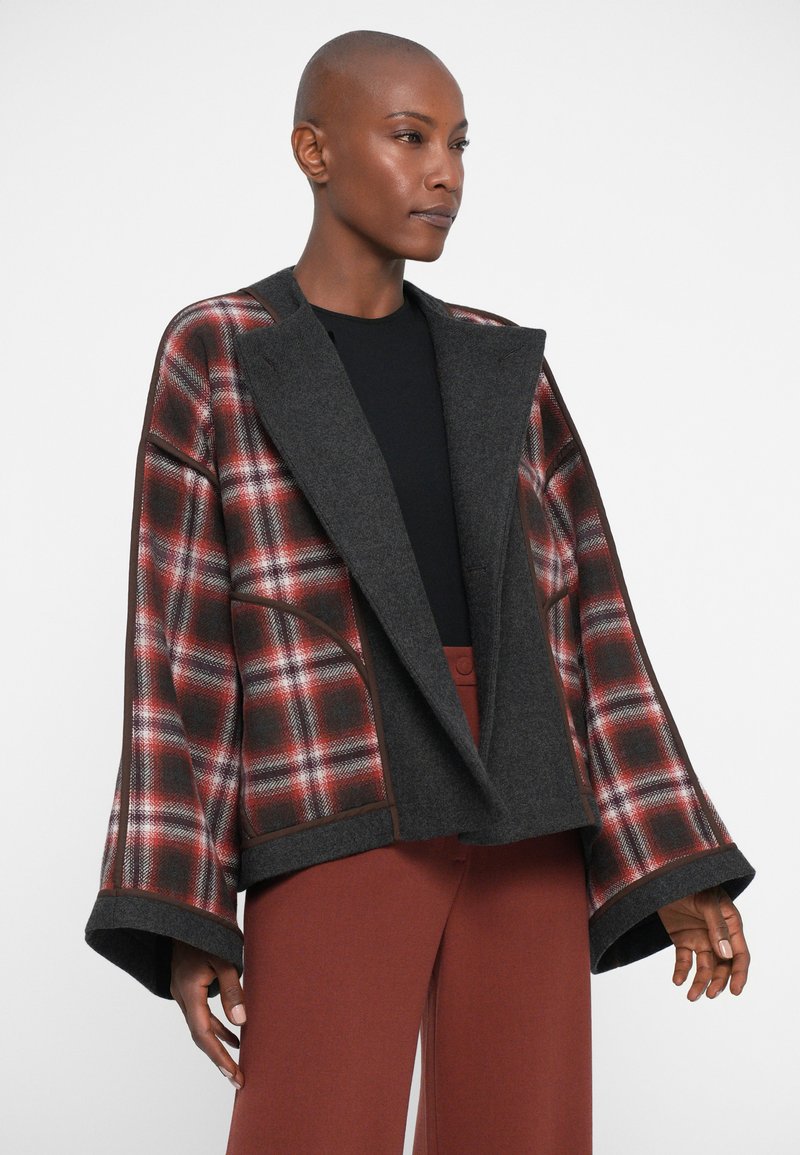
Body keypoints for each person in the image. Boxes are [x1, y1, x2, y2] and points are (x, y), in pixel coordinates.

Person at [85, 29, 755, 1154]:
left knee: (526, 1132)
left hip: (523, 792)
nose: (443, 173)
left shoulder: (501, 363)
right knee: (311, 1129)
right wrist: (185, 902)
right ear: (313, 149)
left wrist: (667, 855)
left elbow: (590, 618)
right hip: (334, 781)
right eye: (409, 137)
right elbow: (178, 642)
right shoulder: (221, 349)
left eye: (458, 145)